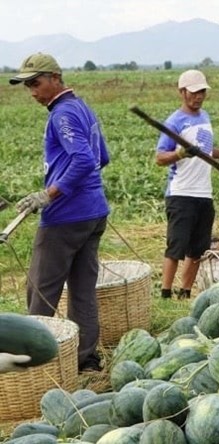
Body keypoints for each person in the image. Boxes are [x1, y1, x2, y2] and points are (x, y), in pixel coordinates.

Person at [9, 53, 110, 372]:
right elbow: (101, 157)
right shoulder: (82, 108)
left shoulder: (62, 115)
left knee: (41, 291)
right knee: (82, 290)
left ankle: (32, 366)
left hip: (65, 218)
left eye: (36, 83)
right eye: (27, 86)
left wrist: (49, 193)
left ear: (55, 78)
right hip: (94, 213)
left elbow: (83, 160)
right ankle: (86, 361)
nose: (32, 92)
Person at [156, 69, 219, 300]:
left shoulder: (204, 117)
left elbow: (208, 150)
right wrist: (180, 153)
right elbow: (160, 157)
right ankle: (166, 293)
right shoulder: (174, 121)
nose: (198, 97)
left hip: (203, 194)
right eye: (193, 92)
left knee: (197, 249)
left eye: (202, 92)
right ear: (182, 92)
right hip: (181, 193)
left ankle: (185, 292)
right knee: (176, 247)